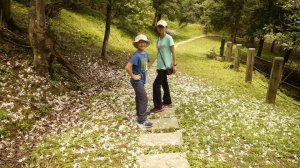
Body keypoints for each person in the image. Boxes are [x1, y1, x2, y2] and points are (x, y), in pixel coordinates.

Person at [125, 34, 152, 127]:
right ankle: (141, 119)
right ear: (136, 44)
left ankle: (141, 112)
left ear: (146, 43)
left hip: (142, 80)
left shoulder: (146, 53)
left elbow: (145, 65)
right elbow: (127, 67)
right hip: (137, 81)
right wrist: (133, 76)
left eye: (144, 42)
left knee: (139, 97)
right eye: (140, 42)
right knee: (144, 98)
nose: (142, 44)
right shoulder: (136, 55)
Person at [150, 20, 177, 113]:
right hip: (161, 65)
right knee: (164, 83)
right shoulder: (158, 40)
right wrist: (157, 66)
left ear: (166, 28)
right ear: (157, 28)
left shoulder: (169, 38)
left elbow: (173, 52)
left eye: (162, 26)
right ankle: (167, 101)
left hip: (166, 66)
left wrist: (174, 65)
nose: (160, 28)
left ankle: (158, 106)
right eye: (159, 27)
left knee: (156, 85)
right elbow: (159, 54)